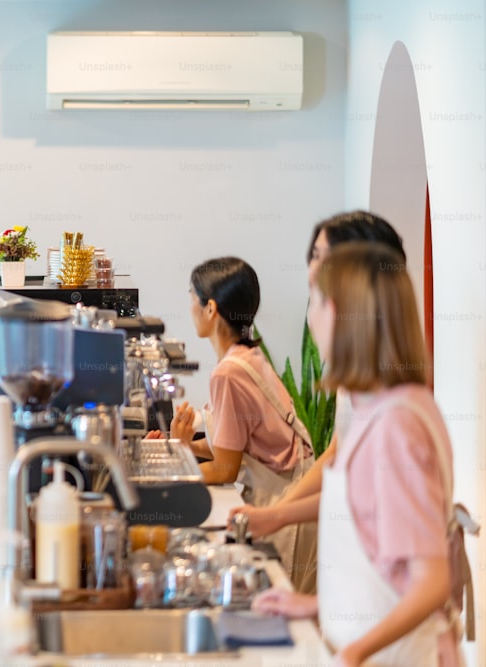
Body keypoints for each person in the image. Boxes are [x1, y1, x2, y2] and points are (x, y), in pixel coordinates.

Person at [253, 242, 459, 666]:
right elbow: (378, 553)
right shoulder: (385, 408)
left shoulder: (395, 426)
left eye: (318, 303)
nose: (311, 319)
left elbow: (430, 583)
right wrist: (316, 607)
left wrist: (355, 652)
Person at [228, 211, 406, 542]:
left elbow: (423, 579)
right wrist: (275, 514)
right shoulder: (355, 386)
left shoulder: (399, 411)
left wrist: (279, 514)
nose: (311, 319)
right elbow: (338, 455)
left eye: (322, 299)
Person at [157, 256, 314, 588]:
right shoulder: (247, 357)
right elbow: (237, 441)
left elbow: (225, 469)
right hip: (291, 495)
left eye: (191, 296)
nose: (189, 307)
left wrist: (170, 478)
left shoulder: (228, 372)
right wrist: (185, 446)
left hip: (284, 504)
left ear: (211, 308)